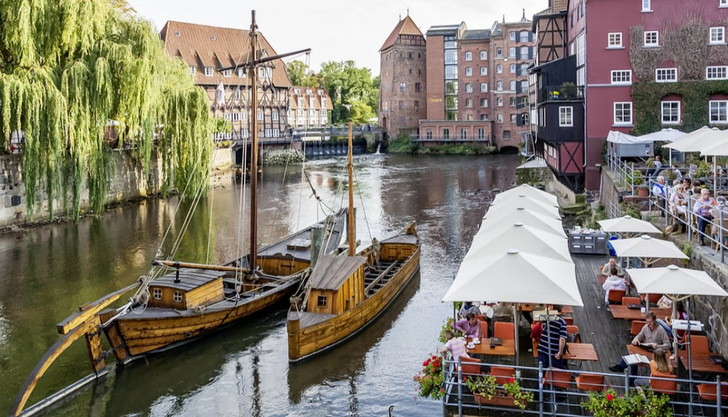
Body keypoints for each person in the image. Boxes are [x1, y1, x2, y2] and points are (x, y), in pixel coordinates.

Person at [537, 305, 568, 369]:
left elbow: (540, 324)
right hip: (554, 352)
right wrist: (560, 352)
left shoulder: (547, 317)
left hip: (542, 349)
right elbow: (562, 338)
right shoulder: (562, 322)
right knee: (555, 374)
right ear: (561, 310)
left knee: (541, 373)